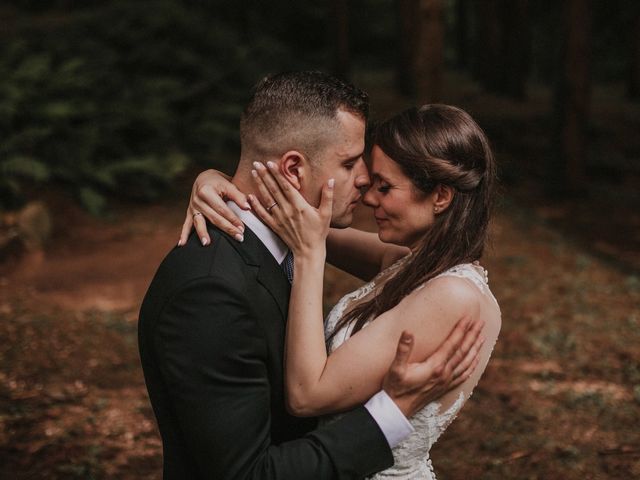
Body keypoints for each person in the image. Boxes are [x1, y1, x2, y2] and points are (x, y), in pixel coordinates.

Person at [139, 71, 484, 479]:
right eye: (351, 161)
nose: (365, 181)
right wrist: (392, 412)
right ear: (294, 169)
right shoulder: (210, 291)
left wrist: (217, 179)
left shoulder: (286, 248)